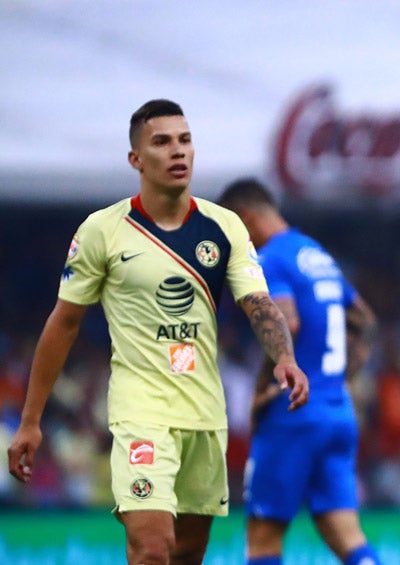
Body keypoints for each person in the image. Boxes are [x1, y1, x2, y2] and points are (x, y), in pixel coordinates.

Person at [5, 99, 309, 565]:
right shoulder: (103, 231)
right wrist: (30, 420)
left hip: (205, 417)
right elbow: (63, 324)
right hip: (140, 413)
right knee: (152, 547)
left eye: (185, 141)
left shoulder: (224, 227)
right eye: (162, 142)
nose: (177, 151)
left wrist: (285, 357)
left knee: (186, 554)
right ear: (136, 159)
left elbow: (259, 304)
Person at [217, 179, 381, 565]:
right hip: (337, 411)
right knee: (345, 533)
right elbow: (365, 320)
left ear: (246, 219)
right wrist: (341, 378)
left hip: (293, 412)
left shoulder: (270, 258)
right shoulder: (314, 253)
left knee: (262, 536)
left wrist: (263, 387)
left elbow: (284, 323)